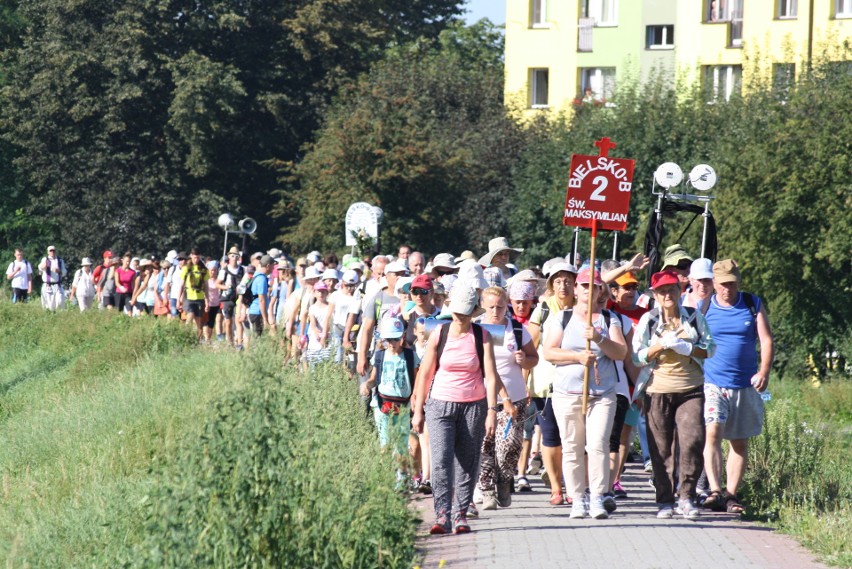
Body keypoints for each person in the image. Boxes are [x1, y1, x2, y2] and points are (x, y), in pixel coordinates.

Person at [412, 284, 500, 535]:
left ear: (473, 312)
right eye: (456, 311)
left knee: (467, 460)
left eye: (465, 312)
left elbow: (491, 376)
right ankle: (442, 514)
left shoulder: (482, 336)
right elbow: (425, 374)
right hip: (439, 403)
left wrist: (492, 411)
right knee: (440, 460)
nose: (460, 316)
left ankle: (461, 513)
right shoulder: (439, 333)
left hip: (474, 405)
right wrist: (418, 410)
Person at [543, 267, 627, 520]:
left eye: (594, 286)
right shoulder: (563, 318)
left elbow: (621, 353)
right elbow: (549, 352)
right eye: (584, 285)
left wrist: (600, 339)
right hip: (567, 393)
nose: (589, 290)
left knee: (598, 444)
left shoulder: (609, 319)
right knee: (571, 447)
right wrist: (577, 357)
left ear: (601, 290)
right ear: (577, 290)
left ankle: (598, 497)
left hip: (602, 394)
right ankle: (578, 498)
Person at [632, 270, 715, 520]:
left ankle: (687, 496)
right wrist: (659, 346)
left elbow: (710, 348)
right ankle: (665, 500)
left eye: (672, 290)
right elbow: (637, 357)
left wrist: (688, 348)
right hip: (657, 390)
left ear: (680, 292)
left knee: (692, 441)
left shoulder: (694, 317)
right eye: (662, 291)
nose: (668, 295)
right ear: (655, 295)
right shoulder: (649, 320)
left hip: (691, 389)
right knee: (661, 448)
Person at [701, 259, 774, 515]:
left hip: (745, 384)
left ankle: (731, 494)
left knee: (739, 443)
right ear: (714, 283)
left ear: (738, 282)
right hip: (713, 382)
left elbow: (766, 340)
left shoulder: (752, 304)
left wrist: (763, 371)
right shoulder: (705, 306)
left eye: (731, 284)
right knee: (712, 433)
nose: (727, 289)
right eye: (722, 284)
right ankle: (714, 490)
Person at [475, 286, 538, 510]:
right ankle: (487, 491)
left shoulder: (518, 331)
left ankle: (504, 479)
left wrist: (524, 360)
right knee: (485, 446)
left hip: (515, 397)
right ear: (482, 305)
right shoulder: (476, 330)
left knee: (509, 445)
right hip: (482, 397)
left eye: (500, 307)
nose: (495, 311)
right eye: (491, 306)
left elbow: (534, 358)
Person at [527, 261, 577, 506]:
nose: (563, 285)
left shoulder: (583, 309)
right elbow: (530, 346)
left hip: (577, 383)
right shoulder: (543, 309)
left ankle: (573, 486)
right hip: (546, 383)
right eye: (557, 281)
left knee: (573, 438)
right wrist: (524, 381)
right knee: (550, 436)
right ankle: (556, 488)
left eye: (567, 280)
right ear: (550, 285)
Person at [360, 318, 418, 460]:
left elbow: (417, 380)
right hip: (382, 405)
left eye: (396, 339)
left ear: (403, 336)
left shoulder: (410, 356)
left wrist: (415, 397)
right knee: (385, 446)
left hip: (403, 406)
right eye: (389, 339)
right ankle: (385, 477)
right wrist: (367, 384)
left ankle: (400, 480)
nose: (392, 343)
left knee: (401, 447)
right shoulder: (380, 355)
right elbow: (374, 379)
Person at [179, 248, 210, 337]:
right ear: (191, 256)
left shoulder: (204, 270)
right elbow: (181, 285)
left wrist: (207, 301)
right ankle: (185, 337)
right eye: (194, 257)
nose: (196, 259)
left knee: (198, 322)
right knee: (190, 316)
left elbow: (206, 287)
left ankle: (196, 340)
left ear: (199, 257)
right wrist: (178, 299)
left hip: (199, 297)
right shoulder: (186, 268)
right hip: (189, 297)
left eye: (197, 257)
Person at [244, 255, 272, 348]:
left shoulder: (256, 276)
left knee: (256, 339)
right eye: (272, 265)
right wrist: (265, 319)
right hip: (257, 313)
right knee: (258, 341)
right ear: (268, 266)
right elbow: (262, 300)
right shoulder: (262, 279)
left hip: (254, 311)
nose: (273, 268)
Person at [38, 245, 67, 310]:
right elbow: (40, 268)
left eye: (53, 250)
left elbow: (64, 272)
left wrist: (59, 271)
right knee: (49, 305)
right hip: (48, 285)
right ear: (48, 252)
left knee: (60, 302)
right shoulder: (45, 259)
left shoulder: (60, 260)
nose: (52, 252)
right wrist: (44, 266)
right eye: (50, 251)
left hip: (57, 285)